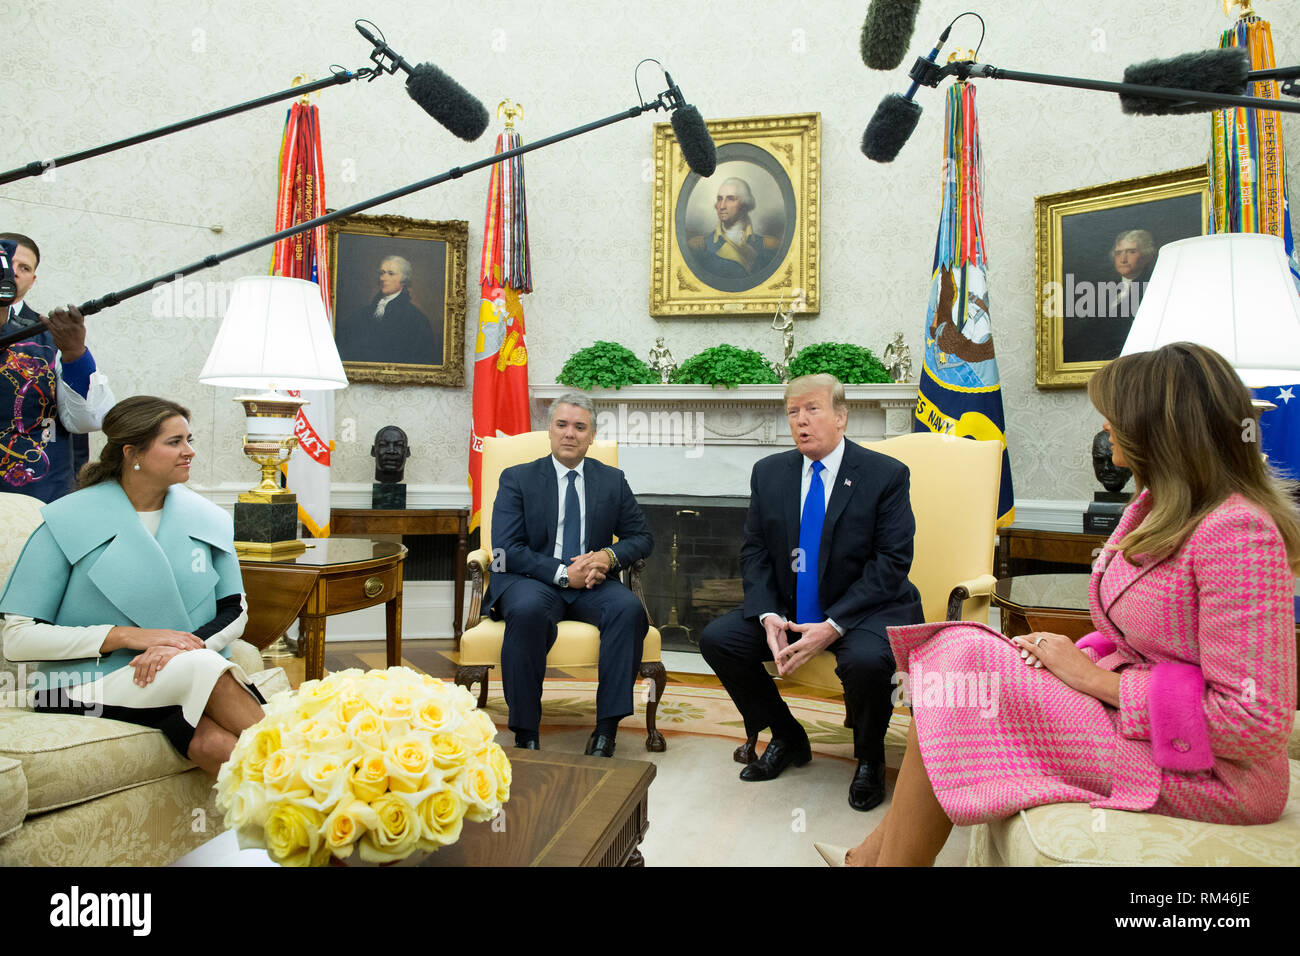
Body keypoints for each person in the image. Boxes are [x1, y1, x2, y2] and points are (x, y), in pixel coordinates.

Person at [840, 342, 1298, 866]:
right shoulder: (1153, 505)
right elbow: (1132, 631)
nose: (1104, 427)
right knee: (956, 667)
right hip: (1133, 719)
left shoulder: (1238, 532)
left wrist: (1094, 680)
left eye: (1114, 416)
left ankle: (877, 861)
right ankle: (873, 859)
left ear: (1160, 428)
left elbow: (1255, 722)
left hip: (1208, 770)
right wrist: (1067, 660)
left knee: (960, 661)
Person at [0, 396, 266, 775]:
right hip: (82, 682)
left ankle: (304, 815)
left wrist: (179, 648)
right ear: (131, 452)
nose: (189, 451)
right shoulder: (65, 521)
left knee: (213, 744)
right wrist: (125, 637)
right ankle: (313, 764)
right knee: (202, 667)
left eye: (189, 439)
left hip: (176, 669)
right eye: (174, 442)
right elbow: (19, 638)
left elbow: (234, 609)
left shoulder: (209, 520)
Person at [700, 373, 924, 811]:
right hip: (790, 606)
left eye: (813, 409)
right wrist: (767, 614)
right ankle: (786, 734)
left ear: (841, 417)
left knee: (865, 661)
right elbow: (756, 551)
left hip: (865, 608)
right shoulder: (769, 473)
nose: (800, 421)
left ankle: (869, 758)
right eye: (793, 412)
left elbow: (891, 563)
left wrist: (833, 625)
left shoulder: (885, 475)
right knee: (719, 640)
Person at [486, 392, 653, 756]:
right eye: (562, 425)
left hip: (593, 583)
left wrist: (607, 557)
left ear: (592, 436)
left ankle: (606, 731)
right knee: (527, 613)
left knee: (628, 610)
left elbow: (641, 537)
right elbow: (505, 550)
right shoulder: (517, 478)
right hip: (532, 581)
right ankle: (526, 732)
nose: (570, 434)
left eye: (580, 427)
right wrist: (564, 573)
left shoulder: (612, 480)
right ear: (549, 430)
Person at [0, 232, 114, 501]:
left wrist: (76, 353)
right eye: (6, 263)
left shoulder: (52, 336)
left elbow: (90, 418)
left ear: (32, 280)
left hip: (36, 492)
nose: (13, 273)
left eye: (24, 267)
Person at [335, 255, 441, 366]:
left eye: (390, 273)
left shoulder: (417, 319)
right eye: (382, 273)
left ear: (404, 280)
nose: (382, 278)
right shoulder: (361, 314)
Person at [687, 177, 780, 282]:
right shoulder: (700, 247)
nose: (722, 206)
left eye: (730, 199)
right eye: (719, 199)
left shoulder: (769, 246)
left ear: (744, 204)